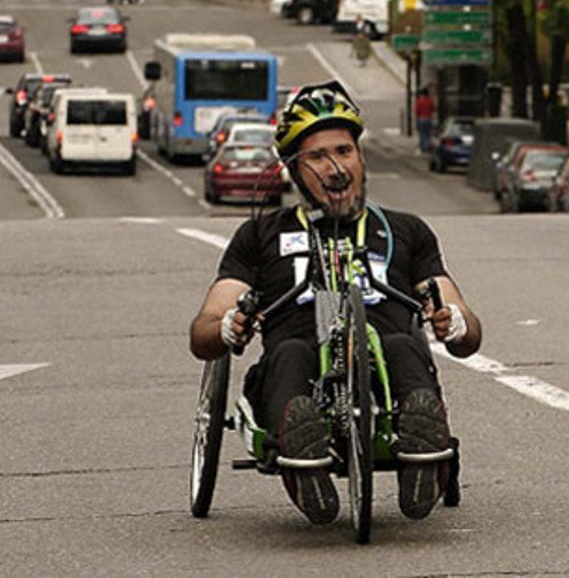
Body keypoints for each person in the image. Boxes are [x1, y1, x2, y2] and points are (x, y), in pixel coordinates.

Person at [188, 80, 482, 524]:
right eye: (317, 157)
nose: (335, 168)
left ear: (360, 157)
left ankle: (423, 452)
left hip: (386, 365)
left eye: (344, 151)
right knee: (290, 354)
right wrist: (228, 325)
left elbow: (466, 328)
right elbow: (203, 330)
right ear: (293, 169)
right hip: (296, 364)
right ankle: (302, 453)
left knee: (403, 346)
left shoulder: (405, 230)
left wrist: (454, 322)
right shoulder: (260, 235)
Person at [414, 87, 435, 153]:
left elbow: (416, 111)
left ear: (422, 94)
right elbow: (433, 108)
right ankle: (427, 146)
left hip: (421, 118)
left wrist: (417, 120)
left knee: (422, 133)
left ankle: (423, 147)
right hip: (428, 118)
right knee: (428, 133)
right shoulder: (430, 100)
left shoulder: (419, 101)